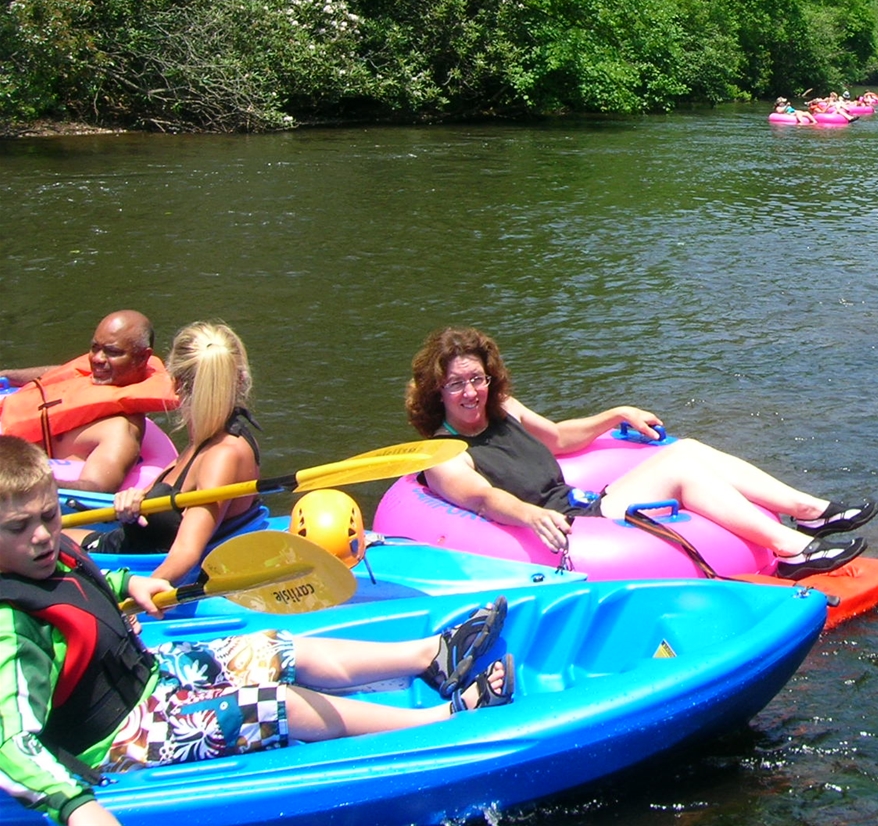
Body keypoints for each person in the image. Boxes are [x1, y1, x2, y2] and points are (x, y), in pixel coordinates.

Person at [0, 436, 513, 826]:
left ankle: (430, 654)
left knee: (273, 648)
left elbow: (87, 583)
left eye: (49, 515)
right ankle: (442, 719)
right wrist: (76, 807)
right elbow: (11, 743)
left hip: (151, 677)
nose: (42, 535)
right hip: (122, 738)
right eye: (19, 527)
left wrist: (128, 581)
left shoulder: (52, 555)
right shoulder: (10, 626)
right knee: (276, 703)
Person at [406, 328, 876, 579]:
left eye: (477, 379)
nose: (471, 392)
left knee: (687, 450)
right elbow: (480, 498)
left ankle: (811, 512)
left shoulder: (504, 408)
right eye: (457, 384)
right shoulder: (442, 453)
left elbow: (558, 438)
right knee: (684, 472)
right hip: (566, 530)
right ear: (437, 391)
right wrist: (529, 515)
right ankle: (791, 548)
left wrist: (616, 413)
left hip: (582, 505)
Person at [68, 323, 263, 584]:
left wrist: (136, 595)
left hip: (132, 562)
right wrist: (136, 497)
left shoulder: (221, 456)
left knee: (27, 545)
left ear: (176, 383)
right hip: (128, 542)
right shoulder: (211, 438)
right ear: (239, 379)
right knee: (49, 533)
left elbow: (186, 554)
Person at [0, 312, 178, 494]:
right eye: (95, 348)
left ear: (142, 357)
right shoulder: (98, 376)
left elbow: (96, 487)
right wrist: (7, 375)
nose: (97, 358)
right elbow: (60, 374)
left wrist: (23, 478)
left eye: (112, 352)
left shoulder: (121, 431)